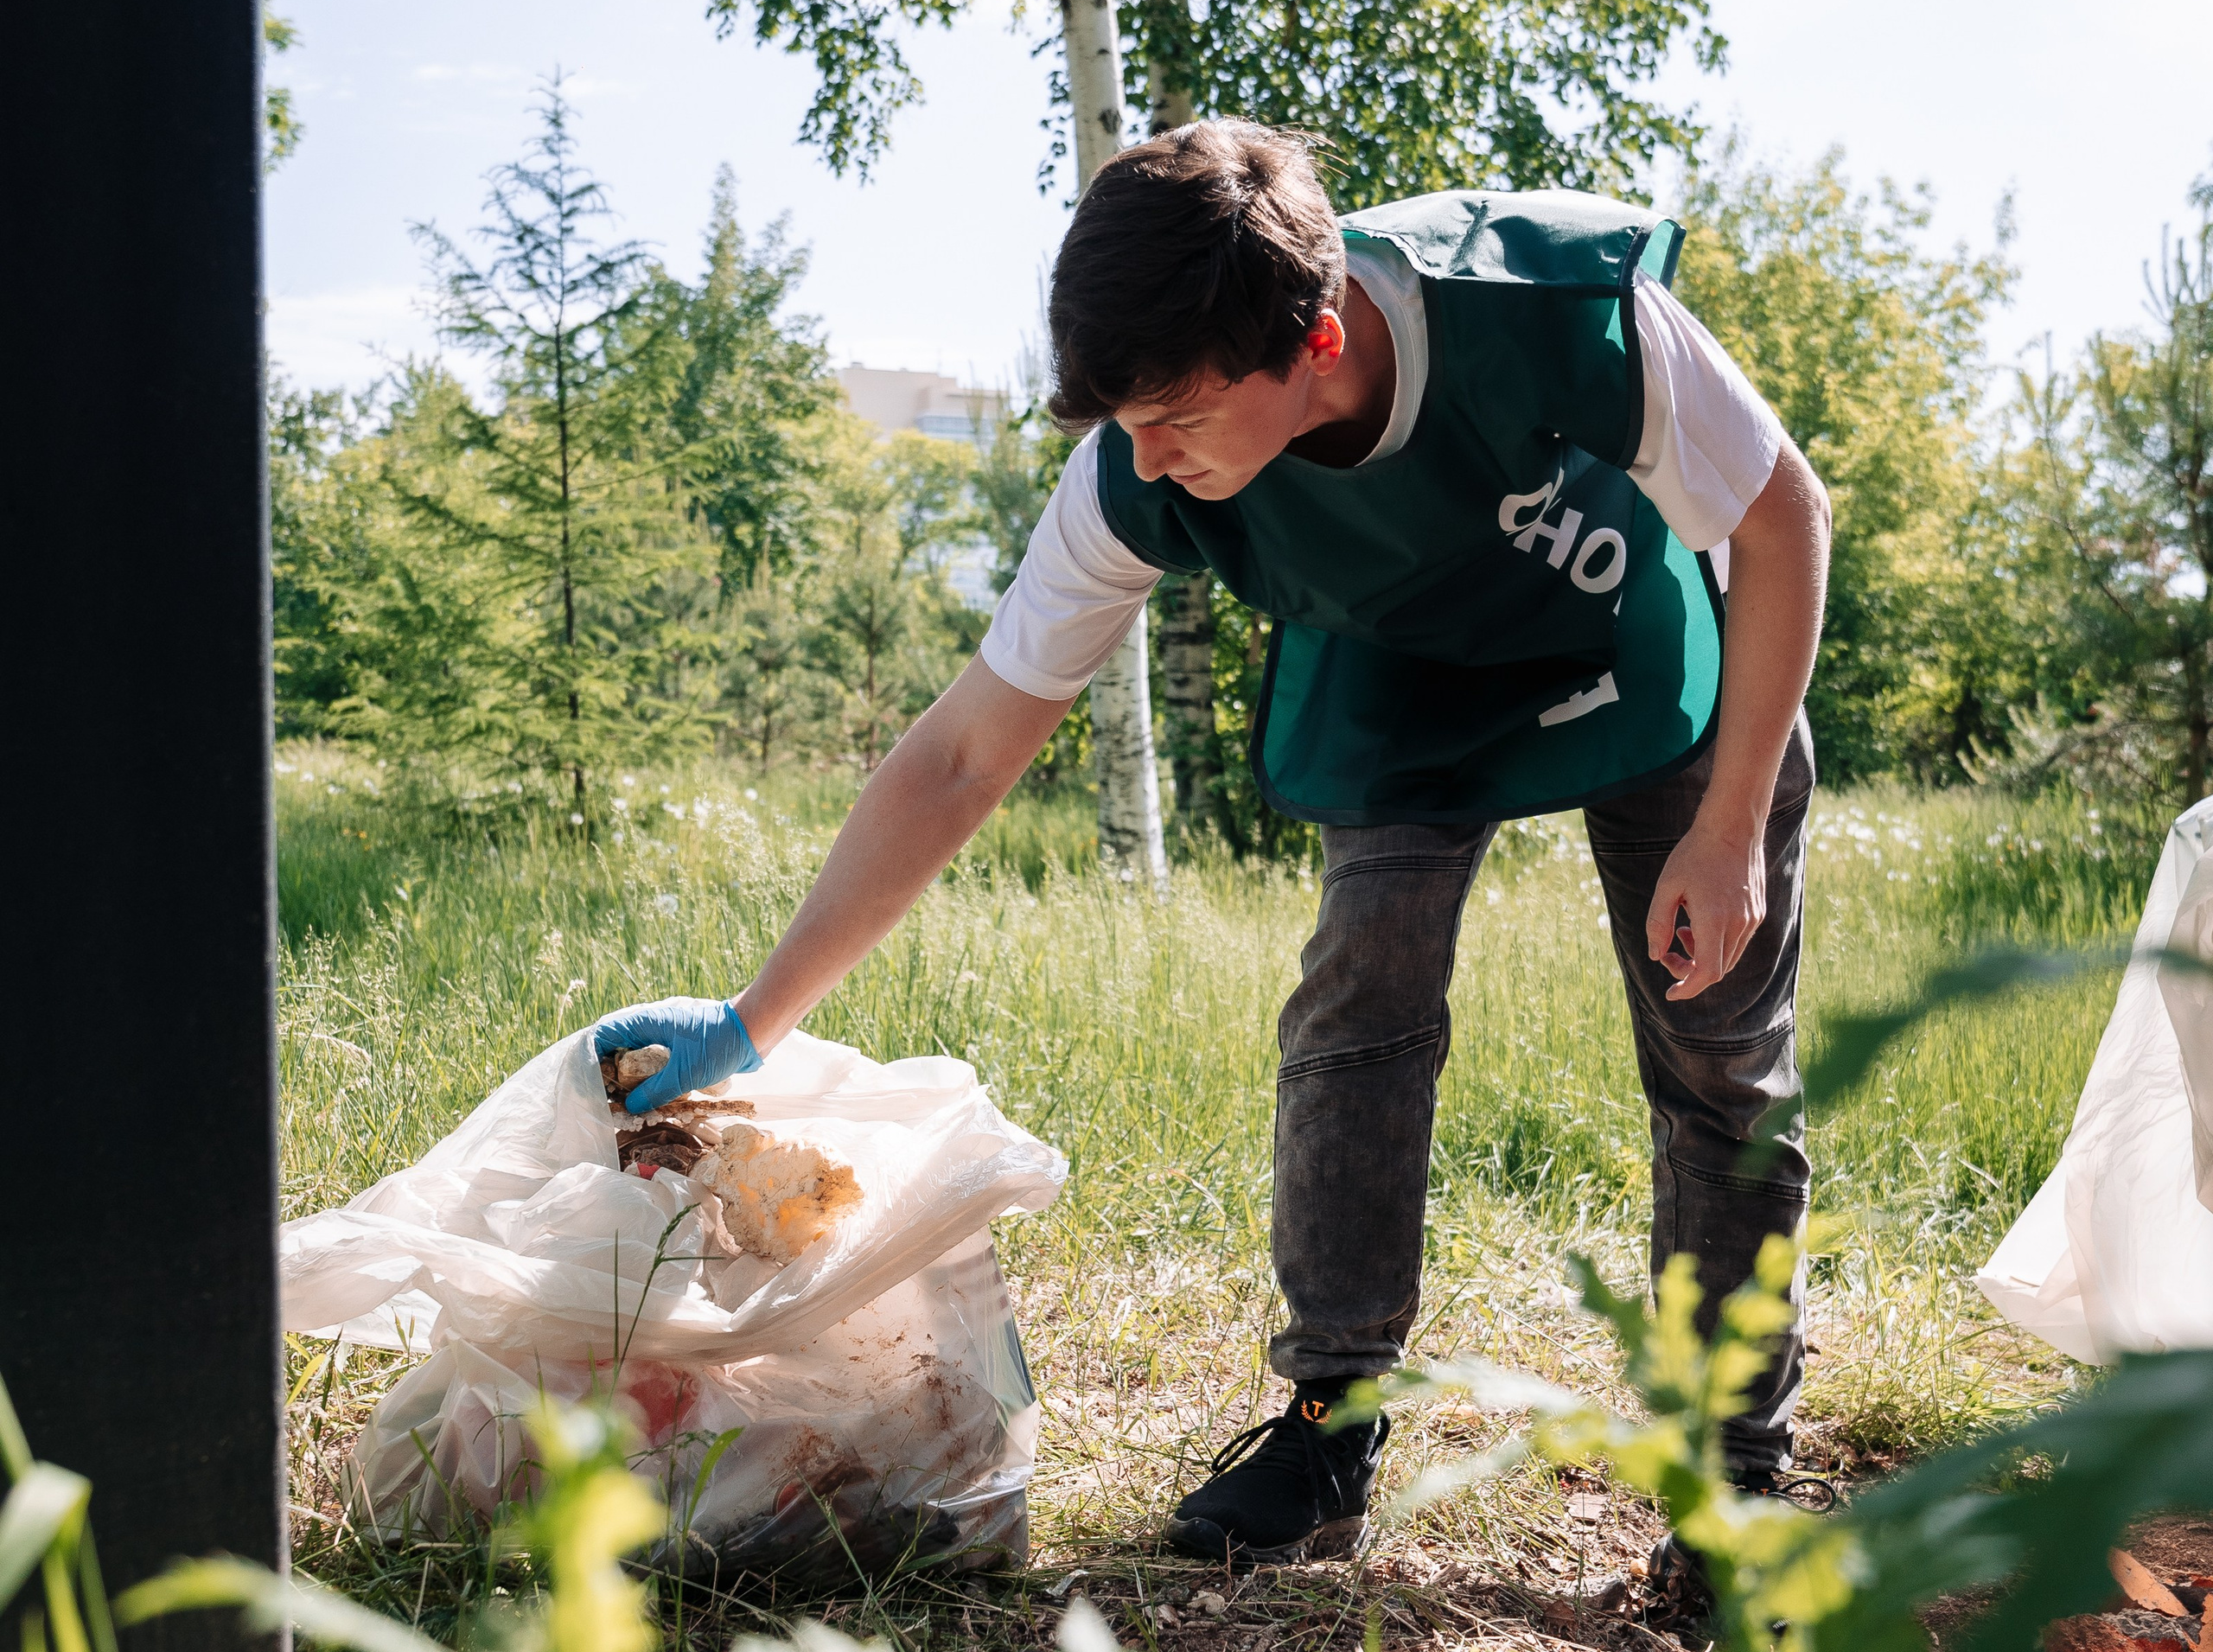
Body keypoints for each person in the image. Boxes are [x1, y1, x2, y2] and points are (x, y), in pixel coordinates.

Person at [593, 120, 1831, 1570]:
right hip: (1409, 673)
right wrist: (756, 1018)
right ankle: (1330, 1422)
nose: (1146, 457)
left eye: (1174, 418)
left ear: (1317, 342)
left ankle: (1735, 1475)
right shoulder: (1137, 469)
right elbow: (962, 755)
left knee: (1716, 1049)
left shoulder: (1552, 312)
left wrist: (1732, 829)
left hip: (1652, 650)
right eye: (1122, 423)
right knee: (1359, 993)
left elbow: (1786, 516)